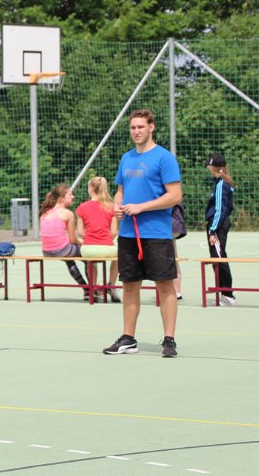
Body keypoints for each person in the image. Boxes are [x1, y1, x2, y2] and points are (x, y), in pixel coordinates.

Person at [104, 109, 182, 358]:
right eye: (133, 127)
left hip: (156, 233)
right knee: (129, 285)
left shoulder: (164, 158)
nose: (136, 131)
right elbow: (120, 191)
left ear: (151, 127)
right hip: (128, 234)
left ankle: (169, 340)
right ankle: (128, 338)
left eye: (140, 127)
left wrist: (141, 207)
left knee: (165, 285)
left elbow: (175, 195)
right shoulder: (126, 158)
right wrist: (117, 207)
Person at [39, 184, 89, 300]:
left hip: (46, 251)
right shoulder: (68, 214)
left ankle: (86, 289)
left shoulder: (44, 213)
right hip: (62, 250)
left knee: (69, 260)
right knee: (89, 259)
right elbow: (73, 239)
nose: (73, 197)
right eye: (70, 195)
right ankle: (92, 289)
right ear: (61, 198)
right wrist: (83, 244)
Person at [76, 176, 120, 303]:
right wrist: (103, 239)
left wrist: (91, 238)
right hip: (107, 248)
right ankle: (111, 284)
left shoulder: (82, 207)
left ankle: (94, 288)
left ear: (91, 188)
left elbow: (80, 232)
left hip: (88, 249)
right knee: (118, 257)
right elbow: (113, 232)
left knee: (91, 262)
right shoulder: (111, 207)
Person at [205, 153, 236, 306]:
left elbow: (220, 210)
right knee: (217, 258)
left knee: (219, 258)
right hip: (219, 224)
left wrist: (213, 230)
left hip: (217, 225)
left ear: (214, 167)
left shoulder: (221, 185)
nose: (208, 167)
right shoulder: (222, 183)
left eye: (209, 165)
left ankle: (227, 295)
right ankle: (223, 292)